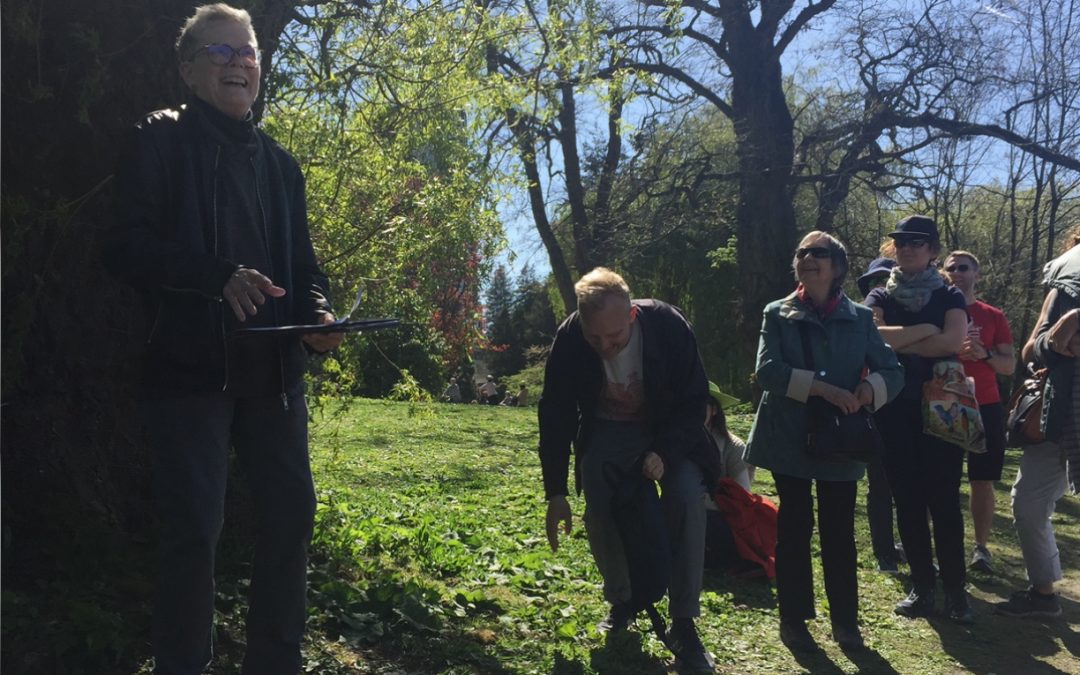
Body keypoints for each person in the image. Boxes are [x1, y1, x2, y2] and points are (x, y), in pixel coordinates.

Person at [102, 5, 343, 673]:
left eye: (248, 52)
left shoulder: (281, 165)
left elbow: (305, 270)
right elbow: (124, 248)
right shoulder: (157, 140)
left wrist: (319, 315)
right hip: (187, 373)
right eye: (221, 51)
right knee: (194, 533)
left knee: (290, 519)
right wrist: (215, 277)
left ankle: (277, 661)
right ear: (187, 69)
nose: (239, 62)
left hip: (275, 376)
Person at [539, 267, 719, 673]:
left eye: (615, 338)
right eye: (594, 338)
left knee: (687, 496)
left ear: (632, 316)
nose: (604, 347)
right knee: (598, 490)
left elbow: (695, 404)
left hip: (671, 427)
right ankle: (623, 600)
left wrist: (663, 452)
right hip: (610, 426)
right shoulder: (570, 338)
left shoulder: (668, 325)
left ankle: (685, 621)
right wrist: (556, 492)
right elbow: (556, 415)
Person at [747, 232, 903, 653]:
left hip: (842, 441)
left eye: (818, 253)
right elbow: (768, 372)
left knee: (839, 532)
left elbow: (893, 370)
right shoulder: (776, 313)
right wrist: (824, 390)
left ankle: (846, 624)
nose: (807, 258)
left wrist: (868, 391)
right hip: (787, 439)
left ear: (837, 266)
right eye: (801, 253)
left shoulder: (860, 317)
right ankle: (794, 621)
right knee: (794, 529)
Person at [863, 215, 974, 623]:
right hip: (894, 406)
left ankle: (957, 592)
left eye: (917, 241)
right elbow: (871, 337)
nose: (907, 247)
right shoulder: (878, 294)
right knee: (907, 498)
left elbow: (952, 342)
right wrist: (928, 329)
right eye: (901, 241)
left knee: (943, 499)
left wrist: (905, 339)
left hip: (943, 406)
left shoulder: (950, 295)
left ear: (932, 251)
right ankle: (923, 587)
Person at [995, 225, 1080, 617]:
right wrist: (1055, 339)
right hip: (1058, 417)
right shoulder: (1062, 286)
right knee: (1028, 505)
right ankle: (1044, 594)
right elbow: (1031, 350)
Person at [943, 250, 1015, 574]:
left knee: (981, 479)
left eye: (963, 268)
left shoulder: (993, 315)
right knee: (938, 477)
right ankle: (928, 544)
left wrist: (984, 354)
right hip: (943, 402)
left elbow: (1009, 365)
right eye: (950, 268)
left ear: (977, 274)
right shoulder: (936, 311)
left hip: (984, 404)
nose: (956, 272)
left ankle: (981, 548)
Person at [856, 257, 906, 573]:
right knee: (881, 483)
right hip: (876, 404)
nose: (880, 284)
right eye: (875, 280)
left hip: (913, 403)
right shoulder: (863, 312)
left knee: (915, 483)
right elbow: (870, 332)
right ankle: (884, 553)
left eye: (886, 278)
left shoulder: (912, 305)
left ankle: (912, 549)